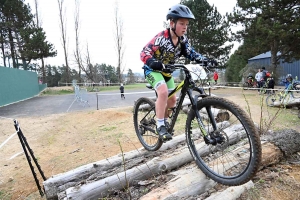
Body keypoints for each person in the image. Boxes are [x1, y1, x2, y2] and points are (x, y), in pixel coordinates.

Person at [140, 4, 207, 141]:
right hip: (152, 70)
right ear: (172, 23)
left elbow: (191, 53)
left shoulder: (183, 41)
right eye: (181, 23)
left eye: (186, 24)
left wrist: (206, 60)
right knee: (163, 92)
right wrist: (152, 62)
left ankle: (163, 121)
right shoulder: (161, 38)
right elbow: (144, 52)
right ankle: (160, 126)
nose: (185, 27)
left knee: (172, 101)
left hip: (167, 73)